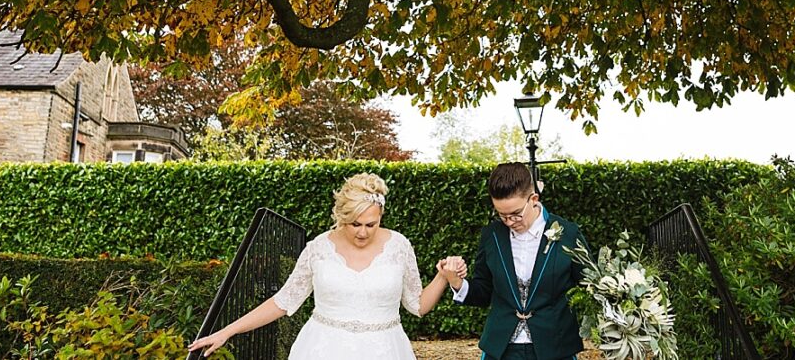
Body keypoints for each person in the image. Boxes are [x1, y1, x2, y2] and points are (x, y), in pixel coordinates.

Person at [188, 172, 466, 358]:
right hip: (321, 349)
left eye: (372, 224)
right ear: (341, 217)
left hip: (385, 350)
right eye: (354, 224)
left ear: (381, 215)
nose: (362, 232)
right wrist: (227, 331)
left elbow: (417, 306)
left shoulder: (399, 245)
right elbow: (283, 301)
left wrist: (442, 277)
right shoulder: (318, 248)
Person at [442, 162, 588, 360]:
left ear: (533, 199)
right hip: (502, 348)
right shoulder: (491, 235)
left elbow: (589, 285)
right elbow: (483, 292)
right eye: (502, 215)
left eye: (516, 214)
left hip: (554, 347)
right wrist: (457, 283)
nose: (510, 222)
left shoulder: (568, 234)